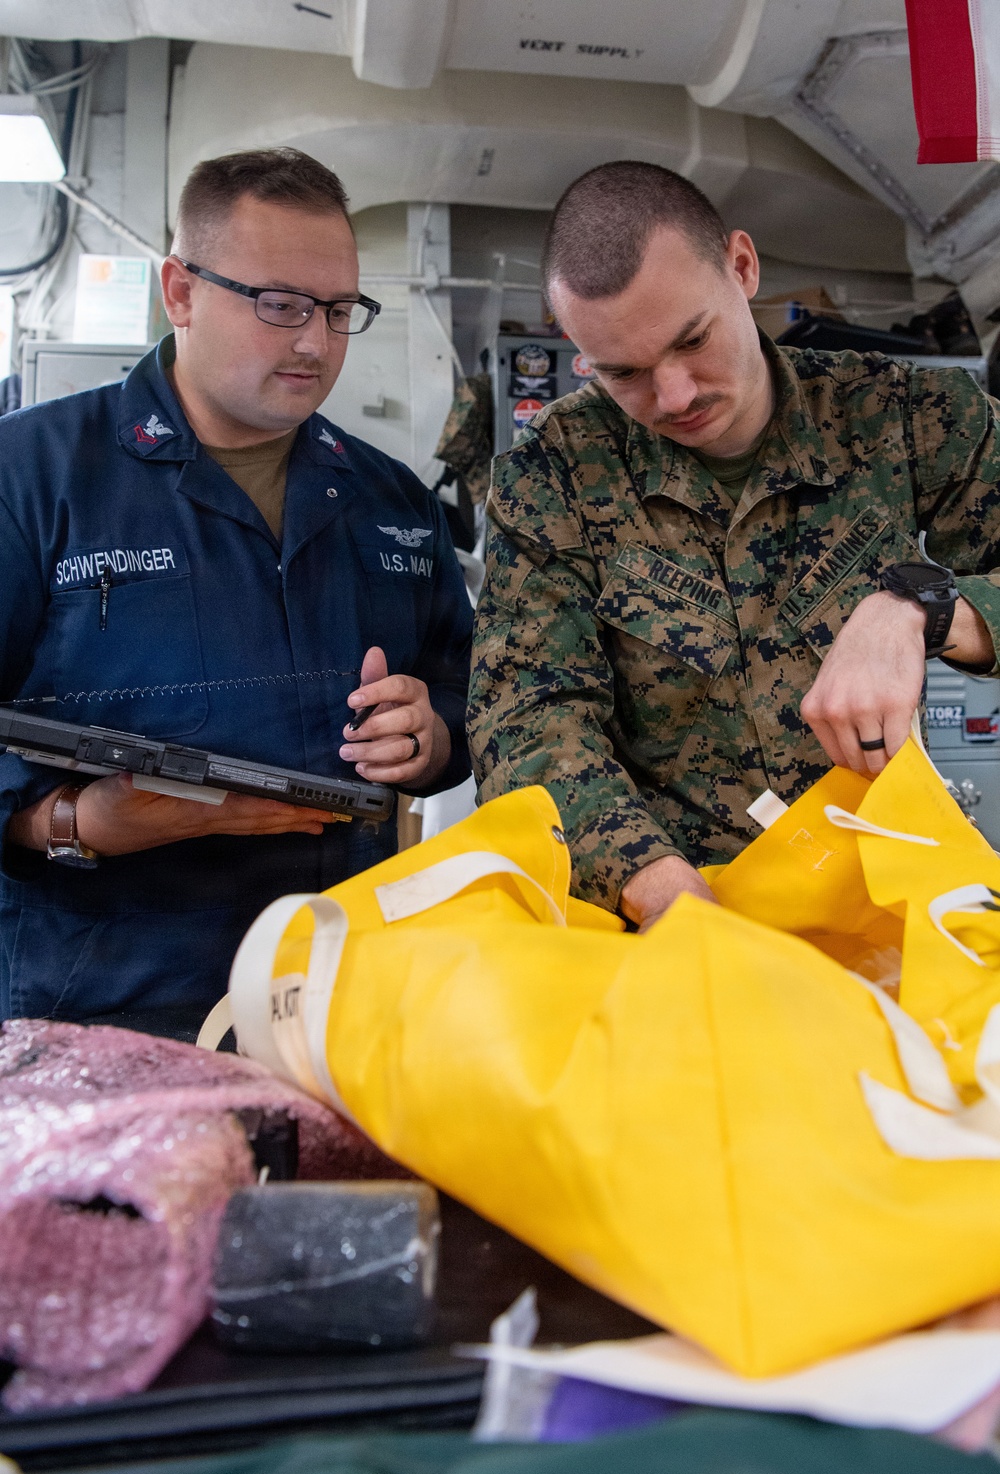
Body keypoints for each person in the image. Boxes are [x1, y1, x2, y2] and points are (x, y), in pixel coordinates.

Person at [0, 148, 472, 1040]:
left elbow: (467, 684)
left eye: (339, 311)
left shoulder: (392, 501)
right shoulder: (32, 479)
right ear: (180, 293)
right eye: (282, 304)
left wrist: (433, 732)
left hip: (333, 990)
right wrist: (73, 821)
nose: (315, 342)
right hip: (98, 1004)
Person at [468, 160, 1000, 931]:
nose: (675, 395)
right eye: (626, 373)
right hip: (672, 911)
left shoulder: (903, 415)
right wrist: (659, 889)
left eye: (693, 340)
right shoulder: (553, 476)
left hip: (881, 890)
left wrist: (922, 606)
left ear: (742, 267)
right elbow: (527, 716)